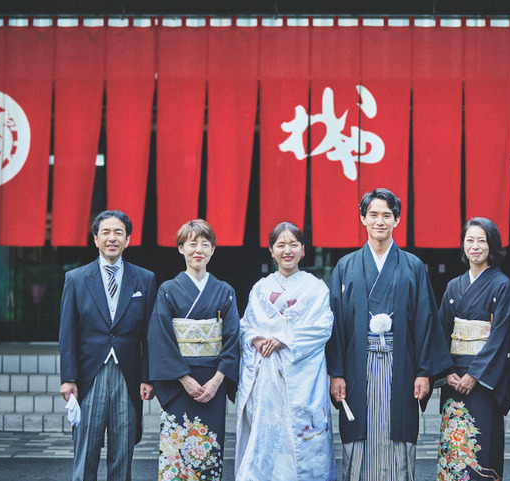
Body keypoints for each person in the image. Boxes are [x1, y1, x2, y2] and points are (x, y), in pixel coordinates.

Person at [326, 188, 453, 480]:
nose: (380, 221)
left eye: (387, 215)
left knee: (399, 432)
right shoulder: (346, 266)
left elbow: (425, 320)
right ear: (362, 218)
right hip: (357, 367)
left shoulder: (413, 266)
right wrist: (337, 373)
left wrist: (423, 372)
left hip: (402, 366)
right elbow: (335, 325)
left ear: (397, 220)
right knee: (358, 432)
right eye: (373, 214)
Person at [59, 210, 157, 481]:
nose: (112, 238)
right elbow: (67, 333)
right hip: (89, 374)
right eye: (106, 232)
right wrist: (68, 378)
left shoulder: (145, 279)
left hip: (128, 374)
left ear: (128, 240)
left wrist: (148, 377)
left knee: (123, 453)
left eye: (118, 233)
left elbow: (150, 334)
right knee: (85, 452)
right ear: (95, 239)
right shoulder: (76, 278)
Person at [235, 222, 336, 480]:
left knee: (303, 440)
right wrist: (256, 340)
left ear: (303, 250)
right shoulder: (260, 288)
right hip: (268, 380)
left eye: (293, 244)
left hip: (303, 379)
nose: (287, 250)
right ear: (271, 251)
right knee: (268, 439)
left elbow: (323, 328)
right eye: (280, 245)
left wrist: (284, 339)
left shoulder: (316, 288)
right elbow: (246, 326)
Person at [147, 219, 240, 481]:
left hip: (213, 382)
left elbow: (233, 337)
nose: (198, 249)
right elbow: (160, 337)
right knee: (176, 454)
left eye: (205, 244)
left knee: (208, 453)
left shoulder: (225, 291)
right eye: (192, 243)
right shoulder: (167, 290)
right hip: (178, 382)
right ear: (181, 248)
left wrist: (218, 380)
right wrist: (184, 378)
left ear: (213, 250)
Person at [436, 217, 510, 481]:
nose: (475, 246)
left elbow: (501, 336)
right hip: (454, 377)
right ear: (463, 245)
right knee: (454, 446)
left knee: (482, 443)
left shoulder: (502, 284)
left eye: (482, 240)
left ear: (492, 245)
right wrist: (446, 370)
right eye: (469, 240)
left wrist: (475, 374)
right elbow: (441, 331)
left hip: (484, 380)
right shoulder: (453, 286)